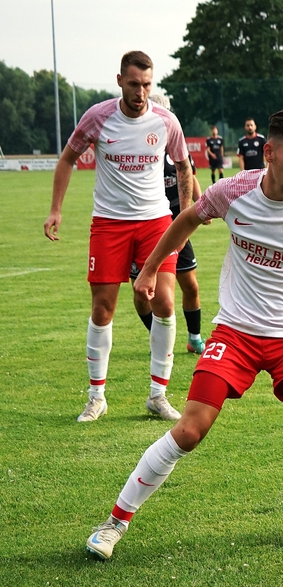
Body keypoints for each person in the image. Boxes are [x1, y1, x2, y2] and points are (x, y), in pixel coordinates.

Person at [84, 107, 283, 560]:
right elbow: (187, 219)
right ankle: (114, 523)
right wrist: (149, 268)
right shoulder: (233, 192)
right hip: (236, 333)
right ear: (269, 153)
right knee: (190, 430)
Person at [43, 50, 191, 423]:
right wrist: (56, 209)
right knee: (102, 308)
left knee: (164, 303)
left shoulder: (166, 121)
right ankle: (96, 398)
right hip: (109, 224)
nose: (141, 92)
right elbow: (67, 159)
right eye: (134, 84)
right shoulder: (98, 117)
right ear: (120, 81)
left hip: (155, 223)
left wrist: (185, 217)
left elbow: (184, 166)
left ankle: (158, 395)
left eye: (147, 85)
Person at [130, 94, 207, 355]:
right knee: (142, 291)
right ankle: (158, 336)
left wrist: (202, 205)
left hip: (175, 227)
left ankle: (194, 338)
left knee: (191, 285)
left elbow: (190, 176)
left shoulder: (177, 148)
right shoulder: (138, 150)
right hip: (143, 227)